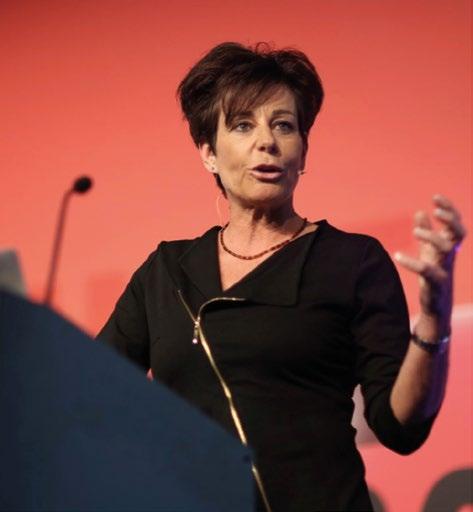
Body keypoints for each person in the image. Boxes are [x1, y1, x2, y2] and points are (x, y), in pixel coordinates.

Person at [98, 42, 466, 511]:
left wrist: (433, 320)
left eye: (284, 125)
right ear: (209, 153)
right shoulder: (166, 272)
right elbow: (92, 394)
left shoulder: (352, 261)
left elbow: (400, 427)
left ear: (303, 152)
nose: (267, 142)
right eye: (243, 125)